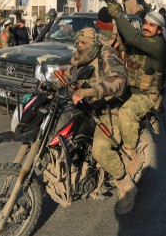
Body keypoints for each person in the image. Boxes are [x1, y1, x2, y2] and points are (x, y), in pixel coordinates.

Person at [107, 4, 166, 214]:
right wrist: (115, 20)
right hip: (130, 90)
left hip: (147, 96)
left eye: (151, 25)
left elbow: (133, 38)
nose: (146, 27)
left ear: (159, 30)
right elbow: (125, 41)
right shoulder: (143, 42)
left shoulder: (159, 46)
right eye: (145, 23)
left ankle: (131, 153)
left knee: (126, 113)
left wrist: (119, 15)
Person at [60, 27, 131, 214]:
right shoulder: (78, 58)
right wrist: (50, 85)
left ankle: (126, 186)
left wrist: (91, 91)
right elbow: (67, 76)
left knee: (100, 150)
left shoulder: (106, 55)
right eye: (78, 43)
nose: (80, 46)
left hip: (109, 109)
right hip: (86, 107)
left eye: (84, 43)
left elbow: (119, 81)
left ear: (94, 44)